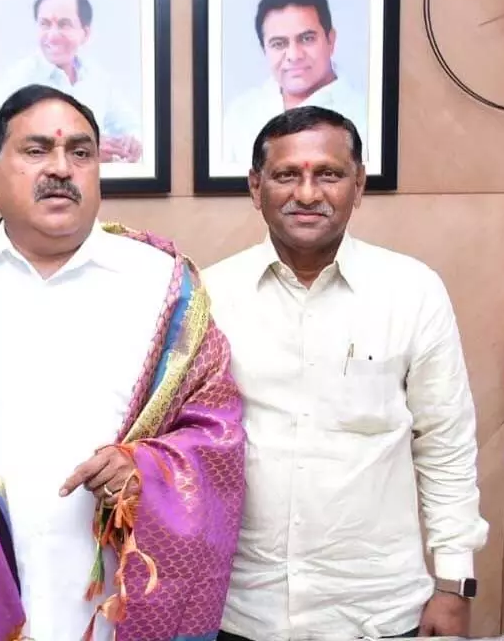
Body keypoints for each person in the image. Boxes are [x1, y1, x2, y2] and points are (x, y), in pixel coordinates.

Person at [0, 84, 246, 640]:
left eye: (80, 153)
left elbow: (217, 428)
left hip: (122, 591)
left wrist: (147, 470)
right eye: (35, 151)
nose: (61, 168)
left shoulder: (165, 286)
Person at [203, 106, 489, 640]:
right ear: (255, 185)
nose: (307, 194)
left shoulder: (412, 291)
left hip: (376, 610)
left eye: (329, 175)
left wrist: (454, 585)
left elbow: (446, 442)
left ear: (357, 186)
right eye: (287, 174)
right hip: (241, 609)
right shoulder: (211, 296)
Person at [218, 0, 367, 176]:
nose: (294, 55)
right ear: (264, 50)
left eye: (306, 39)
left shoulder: (364, 115)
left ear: (331, 40)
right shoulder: (240, 114)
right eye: (278, 43)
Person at [0, 0, 144, 163]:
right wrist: (89, 149)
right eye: (44, 24)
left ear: (85, 33)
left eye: (64, 24)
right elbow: (5, 148)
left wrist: (131, 142)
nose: (52, 35)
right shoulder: (17, 80)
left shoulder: (98, 78)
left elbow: (132, 125)